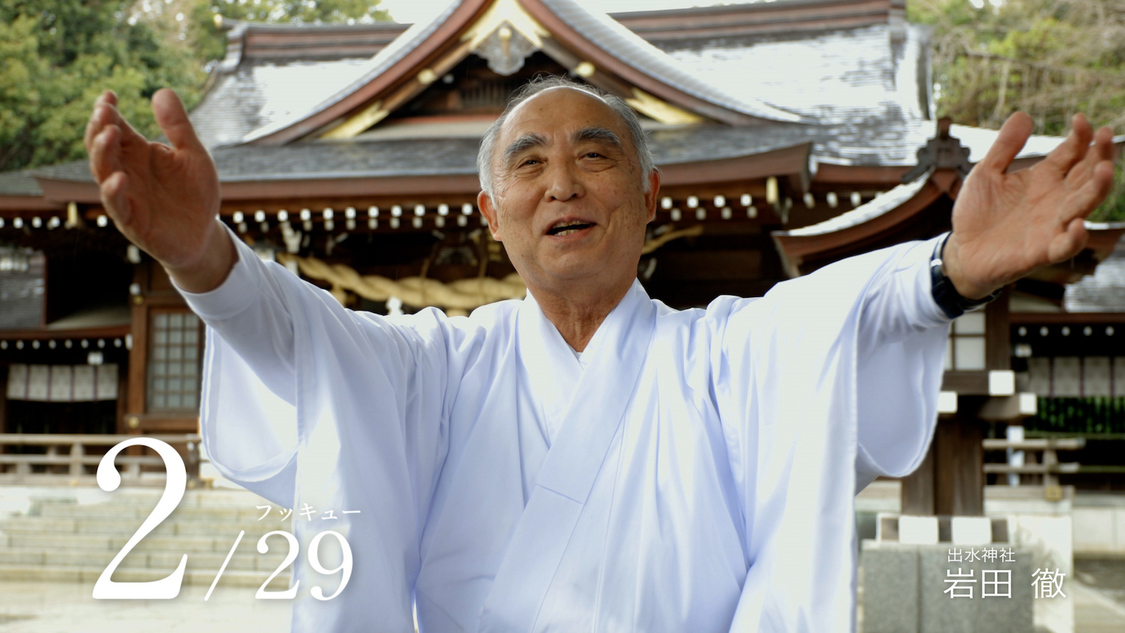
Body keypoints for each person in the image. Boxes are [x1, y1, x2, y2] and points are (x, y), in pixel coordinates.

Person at [85, 76, 1115, 632]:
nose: (563, 184)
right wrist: (201, 254)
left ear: (652, 196)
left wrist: (951, 271)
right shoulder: (437, 368)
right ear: (493, 216)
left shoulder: (723, 356)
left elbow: (844, 315)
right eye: (529, 165)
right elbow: (305, 336)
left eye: (595, 155)